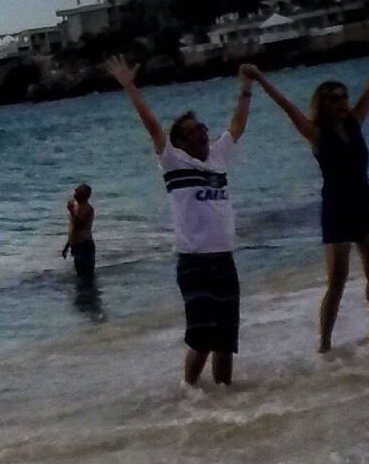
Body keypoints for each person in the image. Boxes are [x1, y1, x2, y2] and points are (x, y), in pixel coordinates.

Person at [104, 52, 249, 386]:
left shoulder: (217, 157)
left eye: (202, 128)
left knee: (225, 341)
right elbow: (153, 126)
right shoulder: (172, 161)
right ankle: (189, 398)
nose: (201, 133)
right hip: (194, 264)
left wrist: (245, 86)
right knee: (201, 339)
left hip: (224, 260)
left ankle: (227, 402)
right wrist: (129, 87)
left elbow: (237, 125)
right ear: (179, 141)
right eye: (192, 130)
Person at [243, 60, 369, 351]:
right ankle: (324, 344)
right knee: (337, 281)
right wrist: (261, 79)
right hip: (337, 210)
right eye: (334, 99)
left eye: (343, 96)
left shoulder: (355, 122)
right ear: (323, 105)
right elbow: (287, 107)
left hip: (364, 203)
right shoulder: (316, 134)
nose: (342, 102)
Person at [61, 184, 97, 291]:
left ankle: (89, 300)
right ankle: (83, 300)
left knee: (86, 276)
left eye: (78, 191)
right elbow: (73, 230)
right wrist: (67, 246)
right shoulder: (76, 206)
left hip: (85, 246)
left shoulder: (87, 209)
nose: (75, 191)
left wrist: (71, 211)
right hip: (77, 246)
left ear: (84, 195)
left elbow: (79, 225)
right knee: (80, 275)